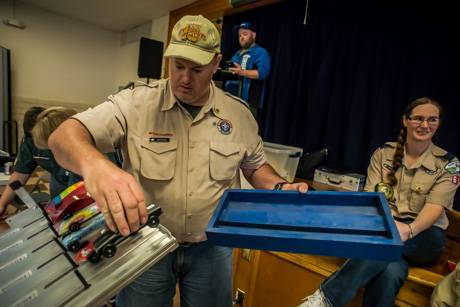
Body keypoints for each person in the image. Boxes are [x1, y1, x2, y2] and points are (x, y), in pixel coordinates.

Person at [48, 15, 308, 307]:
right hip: (145, 243)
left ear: (216, 62)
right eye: (178, 65)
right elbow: (62, 136)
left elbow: (256, 166)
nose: (185, 78)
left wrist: (279, 187)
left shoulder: (238, 114)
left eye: (197, 68)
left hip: (211, 247)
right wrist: (96, 165)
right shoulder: (135, 103)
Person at [298, 97, 459, 307]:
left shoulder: (449, 164)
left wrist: (408, 230)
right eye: (418, 118)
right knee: (392, 271)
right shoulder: (384, 153)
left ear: (438, 123)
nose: (425, 125)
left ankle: (326, 299)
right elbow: (372, 197)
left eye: (432, 120)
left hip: (422, 238)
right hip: (385, 229)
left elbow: (435, 207)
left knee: (386, 244)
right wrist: (387, 228)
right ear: (405, 120)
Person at [0, 106, 80, 218]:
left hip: (83, 185)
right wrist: (2, 204)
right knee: (57, 216)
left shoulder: (76, 143)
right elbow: (20, 173)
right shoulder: (29, 140)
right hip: (59, 184)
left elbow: (78, 191)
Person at [225, 21, 270, 118]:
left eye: (245, 34)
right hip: (232, 101)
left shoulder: (260, 52)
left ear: (253, 35)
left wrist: (242, 72)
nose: (241, 37)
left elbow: (263, 73)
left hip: (250, 102)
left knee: (247, 132)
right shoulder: (236, 54)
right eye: (240, 35)